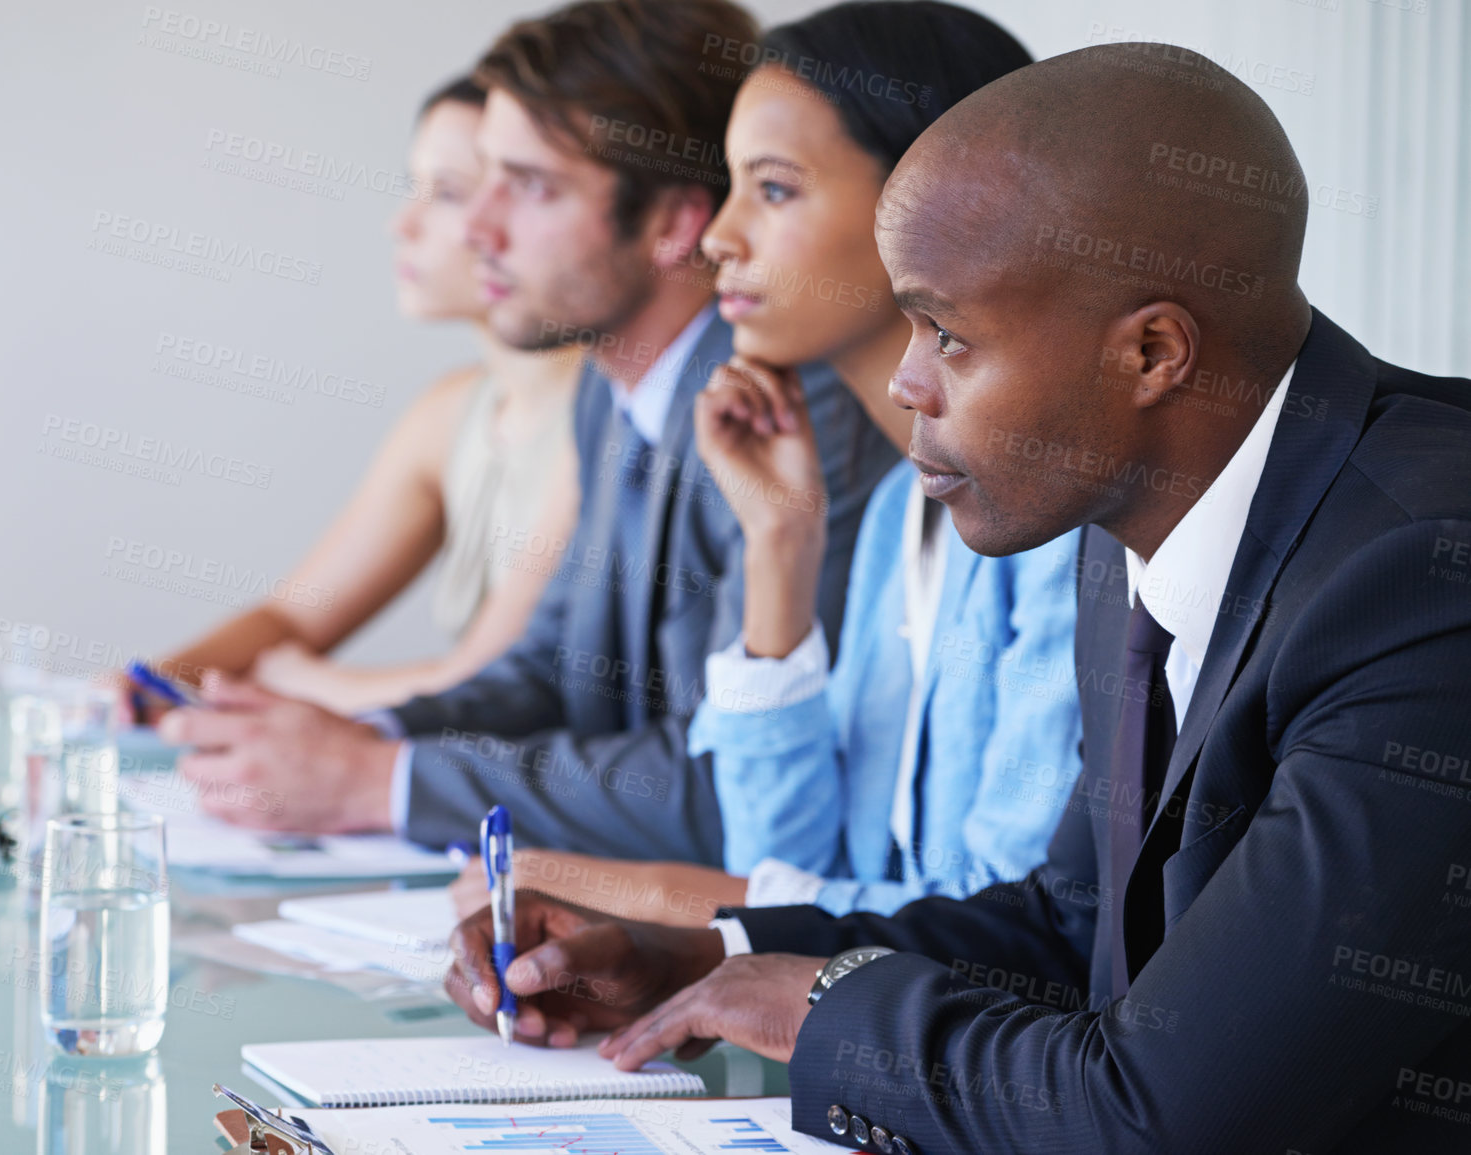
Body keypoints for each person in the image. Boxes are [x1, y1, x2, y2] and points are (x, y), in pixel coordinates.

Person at [445, 41, 1471, 1154]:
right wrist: (708, 958)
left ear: (1152, 354)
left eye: (949, 334)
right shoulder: (1130, 502)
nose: (905, 381)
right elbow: (1067, 926)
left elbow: (1167, 1115)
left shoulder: (1421, 576)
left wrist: (831, 1013)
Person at [157, 0, 897, 858]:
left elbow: (722, 781)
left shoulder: (792, 416)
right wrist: (361, 733)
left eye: (532, 186)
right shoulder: (609, 388)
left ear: (672, 222)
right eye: (484, 177)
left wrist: (377, 781)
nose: (476, 229)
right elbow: (549, 671)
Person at [448, 0, 1081, 928]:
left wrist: (652, 897)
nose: (717, 238)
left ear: (941, 200)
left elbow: (1002, 936)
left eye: (774, 191)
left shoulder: (1056, 524)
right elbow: (787, 862)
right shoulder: (890, 519)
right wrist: (780, 546)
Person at [146, 77, 583, 718]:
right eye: (416, 186)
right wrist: (152, 686)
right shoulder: (452, 413)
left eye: (448, 193)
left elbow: (480, 681)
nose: (402, 223)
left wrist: (303, 682)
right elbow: (293, 614)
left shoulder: (609, 420)